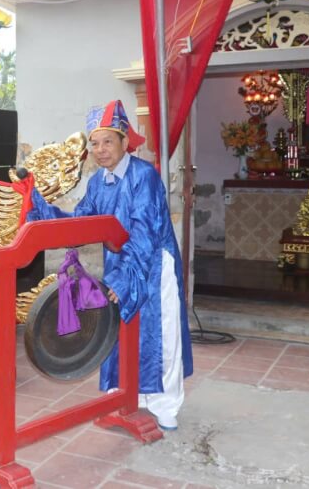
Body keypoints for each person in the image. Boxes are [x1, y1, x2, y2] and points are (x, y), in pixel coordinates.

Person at [26, 100, 193, 430]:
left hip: (154, 266)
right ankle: (123, 394)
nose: (100, 150)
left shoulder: (143, 176)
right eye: (95, 143)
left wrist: (123, 279)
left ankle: (164, 403)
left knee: (160, 336)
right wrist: (35, 201)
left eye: (107, 141)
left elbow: (144, 234)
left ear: (124, 142)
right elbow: (79, 224)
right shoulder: (98, 183)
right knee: (119, 331)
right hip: (121, 264)